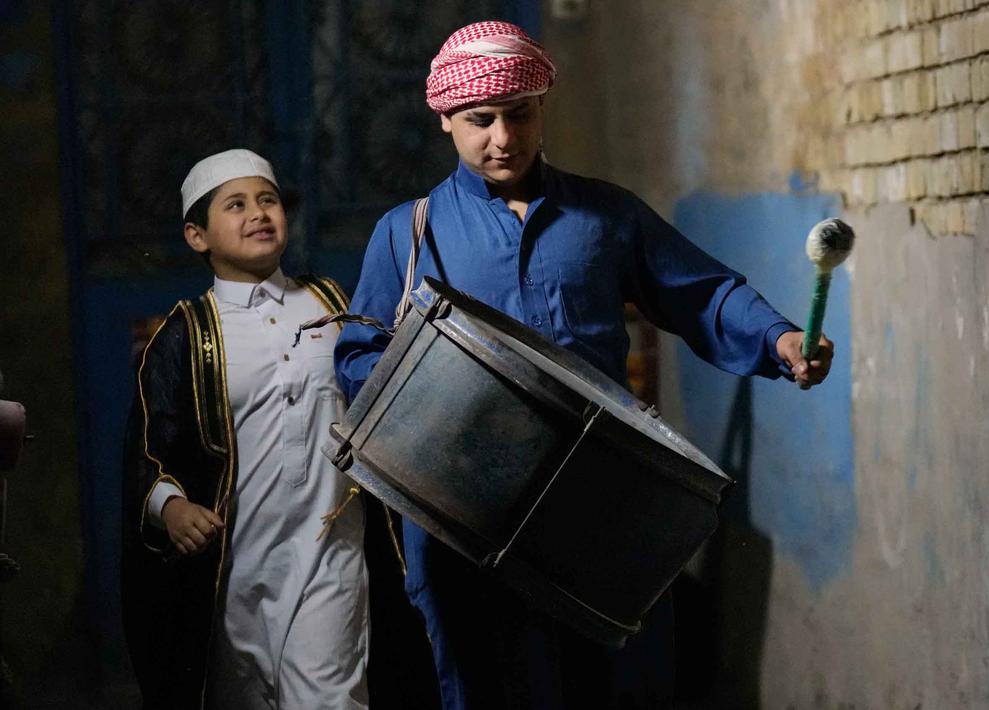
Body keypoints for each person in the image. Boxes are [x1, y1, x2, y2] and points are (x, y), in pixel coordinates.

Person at [334, 21, 834, 710]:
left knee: (613, 680)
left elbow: (702, 292)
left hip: (602, 503)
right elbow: (360, 359)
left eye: (520, 115)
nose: (502, 138)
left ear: (542, 109)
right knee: (482, 682)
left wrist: (777, 341)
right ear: (444, 118)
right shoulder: (408, 232)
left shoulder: (604, 216)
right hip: (465, 515)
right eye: (480, 120)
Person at [120, 149, 409, 709]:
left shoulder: (332, 304)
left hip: (330, 550)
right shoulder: (186, 334)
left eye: (268, 200)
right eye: (236, 204)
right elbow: (149, 448)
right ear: (197, 235)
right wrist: (171, 508)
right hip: (234, 566)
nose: (258, 213)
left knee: (331, 697)